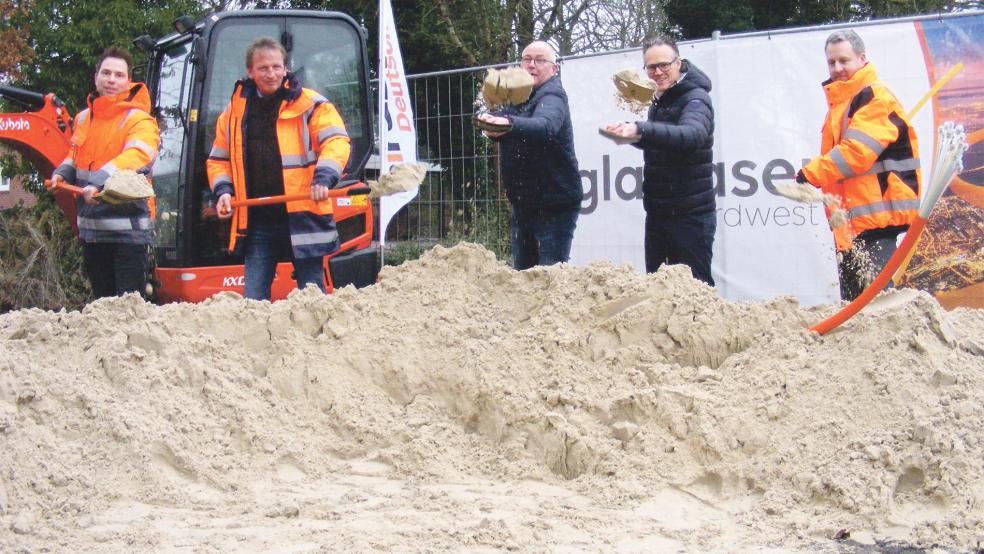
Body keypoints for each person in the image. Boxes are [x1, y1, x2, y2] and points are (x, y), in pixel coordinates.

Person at [207, 37, 351, 300]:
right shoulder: (233, 114)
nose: (271, 73)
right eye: (263, 68)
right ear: (250, 71)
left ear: (286, 68)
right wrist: (223, 191)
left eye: (276, 66)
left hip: (303, 212)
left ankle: (314, 339)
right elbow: (219, 159)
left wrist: (324, 178)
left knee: (312, 295)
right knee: (253, 298)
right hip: (257, 218)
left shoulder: (311, 104)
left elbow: (336, 141)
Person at [796, 30, 921, 301]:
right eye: (832, 63)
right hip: (854, 224)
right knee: (857, 309)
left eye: (844, 60)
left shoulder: (874, 97)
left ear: (862, 59)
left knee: (877, 307)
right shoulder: (845, 103)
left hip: (876, 220)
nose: (838, 68)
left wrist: (810, 174)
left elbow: (855, 154)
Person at [602, 36, 716, 286]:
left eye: (664, 65)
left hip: (690, 215)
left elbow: (692, 136)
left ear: (679, 63)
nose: (658, 72)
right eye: (651, 67)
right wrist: (631, 135)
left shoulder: (696, 99)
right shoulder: (660, 101)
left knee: (695, 290)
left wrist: (641, 129)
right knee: (658, 288)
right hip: (658, 212)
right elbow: (665, 142)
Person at [51, 47, 160, 299]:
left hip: (128, 235)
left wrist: (100, 181)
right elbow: (74, 155)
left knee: (127, 309)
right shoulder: (83, 119)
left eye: (119, 75)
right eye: (107, 73)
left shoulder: (139, 120)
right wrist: (62, 173)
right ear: (96, 76)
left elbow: (136, 156)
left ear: (128, 81)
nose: (112, 80)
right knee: (102, 306)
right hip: (92, 232)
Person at [475, 41, 582, 270]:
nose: (532, 65)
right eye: (527, 59)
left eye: (540, 60)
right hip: (524, 202)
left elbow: (544, 126)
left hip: (555, 203)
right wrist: (492, 125)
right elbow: (500, 122)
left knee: (548, 276)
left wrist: (508, 123)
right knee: (523, 275)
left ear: (554, 69)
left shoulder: (553, 95)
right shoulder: (517, 96)